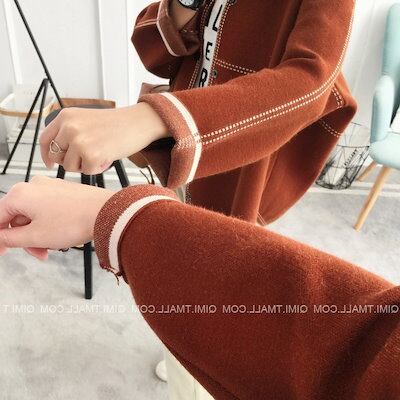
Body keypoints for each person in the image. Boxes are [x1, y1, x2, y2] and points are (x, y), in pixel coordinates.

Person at [1, 0, 359, 397]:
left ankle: (193, 367)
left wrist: (152, 118)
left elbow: (311, 80)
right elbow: (158, 47)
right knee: (181, 257)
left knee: (216, 277)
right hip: (184, 142)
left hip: (238, 147)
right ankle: (182, 351)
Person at [0, 178, 399, 400]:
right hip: (193, 174)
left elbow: (354, 350)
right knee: (187, 337)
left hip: (230, 180)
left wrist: (122, 217)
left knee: (213, 329)